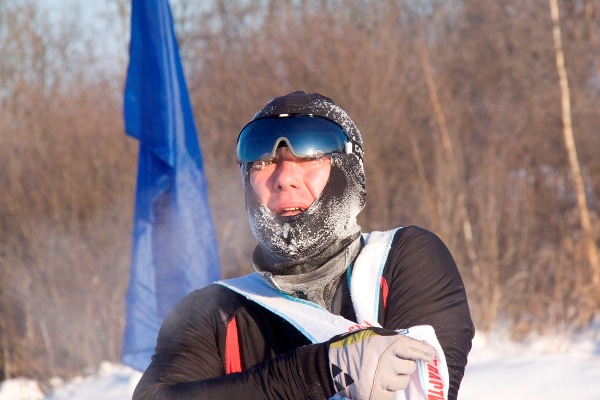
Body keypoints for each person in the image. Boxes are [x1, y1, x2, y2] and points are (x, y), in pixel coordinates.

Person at [133, 91, 474, 400]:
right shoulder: (214, 312)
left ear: (348, 172)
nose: (284, 179)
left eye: (310, 156)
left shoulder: (404, 260)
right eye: (264, 161)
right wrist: (318, 372)